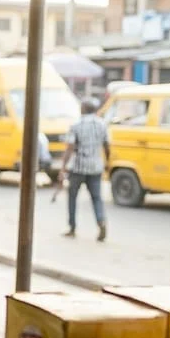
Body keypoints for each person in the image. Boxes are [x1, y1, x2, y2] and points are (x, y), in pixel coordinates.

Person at [61, 97, 110, 241]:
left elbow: (69, 148)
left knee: (72, 197)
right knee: (96, 198)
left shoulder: (76, 125)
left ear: (82, 109)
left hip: (78, 167)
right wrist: (107, 162)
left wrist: (63, 167)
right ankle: (101, 221)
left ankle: (72, 227)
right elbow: (107, 146)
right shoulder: (102, 125)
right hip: (95, 167)